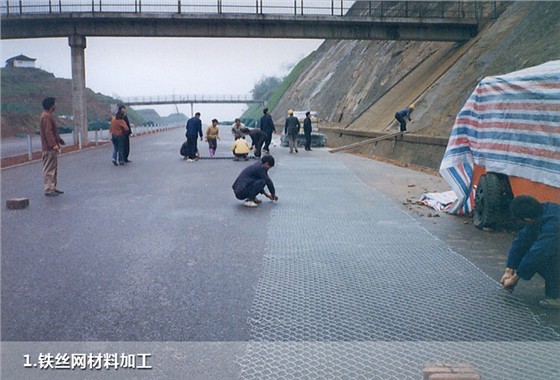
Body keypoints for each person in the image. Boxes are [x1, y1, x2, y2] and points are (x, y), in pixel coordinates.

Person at [500, 195, 560, 309]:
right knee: (531, 250)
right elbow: (521, 240)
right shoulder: (542, 212)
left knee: (546, 258)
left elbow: (539, 253)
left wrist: (514, 279)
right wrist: (509, 269)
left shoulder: (555, 224)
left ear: (526, 219)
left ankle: (557, 297)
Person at [39, 97, 65, 196]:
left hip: (51, 148)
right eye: (54, 104)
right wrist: (53, 145)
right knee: (49, 169)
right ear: (51, 106)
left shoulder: (47, 116)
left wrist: (59, 140)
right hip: (49, 149)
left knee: (53, 168)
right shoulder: (46, 117)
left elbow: (52, 132)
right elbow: (48, 132)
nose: (55, 106)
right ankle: (48, 189)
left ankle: (52, 187)